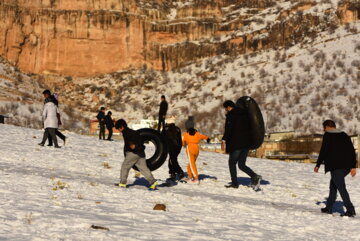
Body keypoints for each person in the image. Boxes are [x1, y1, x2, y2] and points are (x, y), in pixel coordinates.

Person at [314, 120, 357, 217]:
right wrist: (353, 166)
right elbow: (351, 151)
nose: (324, 130)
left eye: (324, 128)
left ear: (327, 127)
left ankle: (350, 209)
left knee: (341, 188)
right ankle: (328, 207)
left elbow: (323, 151)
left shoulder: (328, 135)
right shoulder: (344, 135)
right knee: (333, 185)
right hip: (346, 167)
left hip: (336, 166)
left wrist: (318, 164)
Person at [221, 100, 262, 189]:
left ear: (228, 107)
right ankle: (255, 176)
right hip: (246, 143)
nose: (226, 110)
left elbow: (229, 130)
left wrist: (224, 139)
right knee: (241, 164)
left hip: (236, 144)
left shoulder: (231, 115)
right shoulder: (246, 114)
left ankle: (235, 183)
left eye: (226, 108)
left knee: (232, 163)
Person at [115, 119, 158, 190]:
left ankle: (122, 183)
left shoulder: (126, 132)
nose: (119, 130)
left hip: (133, 153)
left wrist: (132, 145)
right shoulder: (133, 132)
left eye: (118, 128)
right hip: (141, 153)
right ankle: (153, 182)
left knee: (125, 166)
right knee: (144, 169)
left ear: (122, 127)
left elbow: (131, 144)